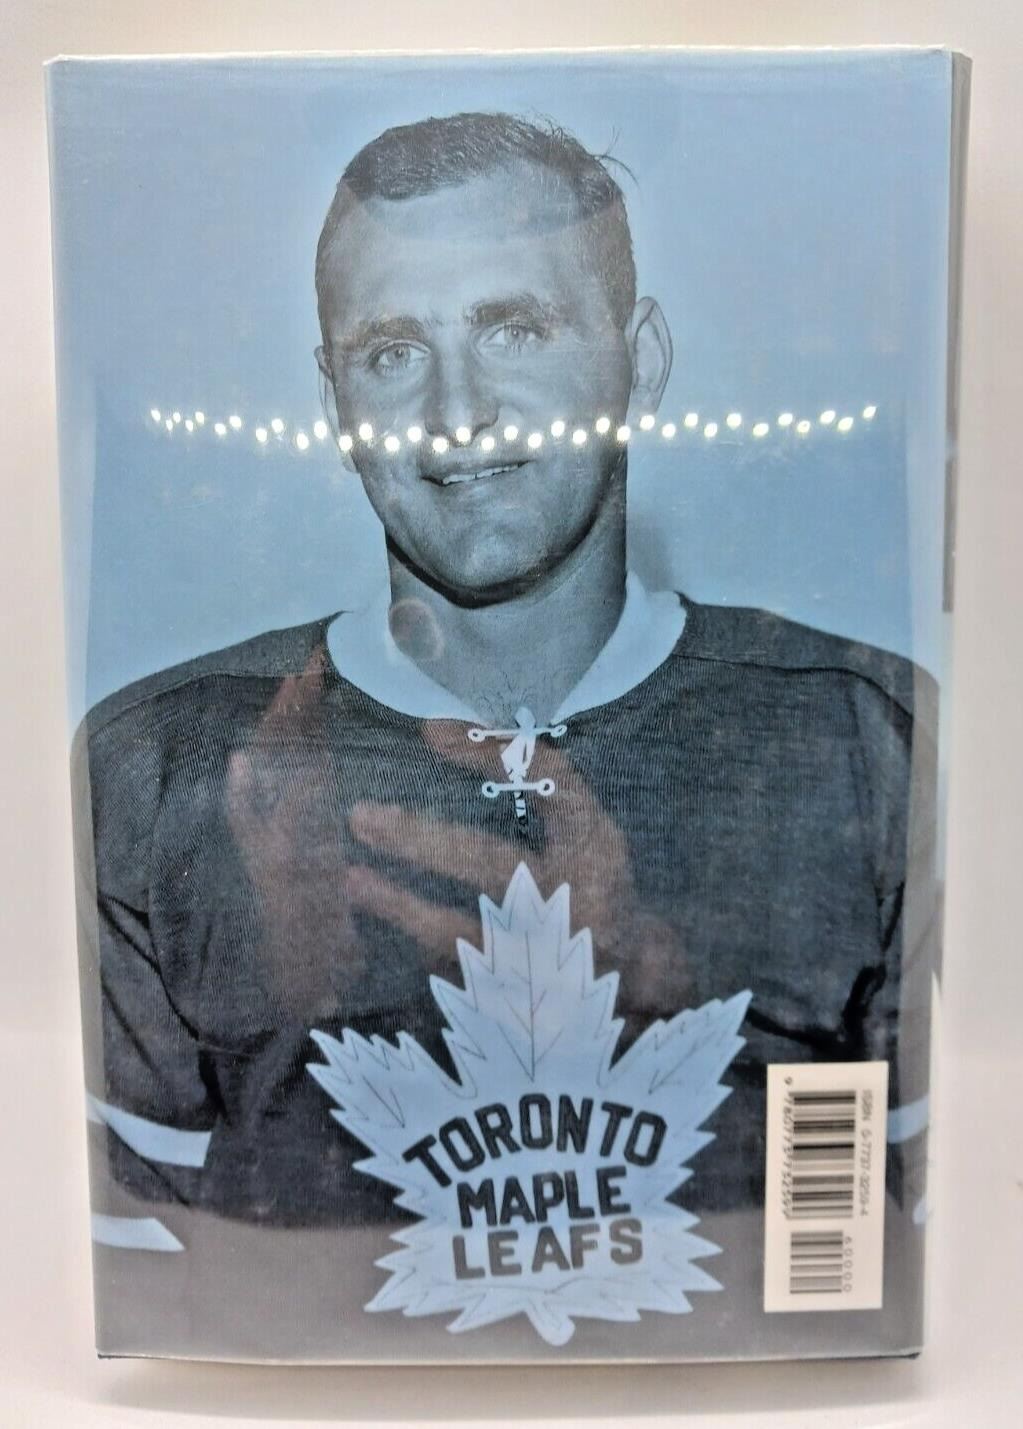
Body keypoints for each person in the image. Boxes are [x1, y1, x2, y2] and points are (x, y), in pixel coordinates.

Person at [74, 113, 937, 1276]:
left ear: (641, 359)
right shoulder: (159, 769)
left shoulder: (861, 737)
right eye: (393, 352)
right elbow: (145, 1280)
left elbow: (903, 1256)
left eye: (514, 329)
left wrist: (671, 984)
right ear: (333, 402)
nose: (456, 411)